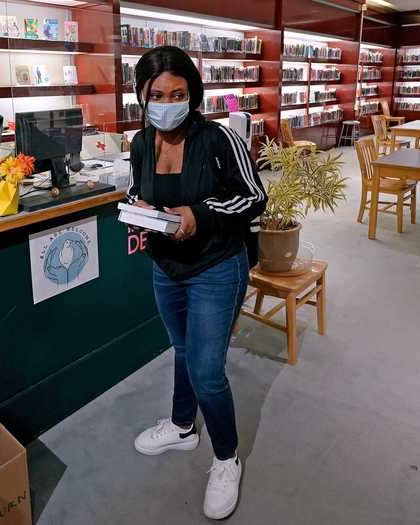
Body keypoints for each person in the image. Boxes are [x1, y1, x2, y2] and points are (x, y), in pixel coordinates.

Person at [128, 46, 266, 520]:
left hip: (215, 267)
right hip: (166, 268)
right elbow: (136, 191)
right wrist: (138, 212)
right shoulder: (142, 143)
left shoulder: (219, 140)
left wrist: (199, 215)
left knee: (208, 371)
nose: (168, 102)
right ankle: (184, 427)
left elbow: (254, 197)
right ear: (142, 97)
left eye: (179, 93)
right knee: (183, 351)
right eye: (157, 94)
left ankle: (227, 458)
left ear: (193, 93)